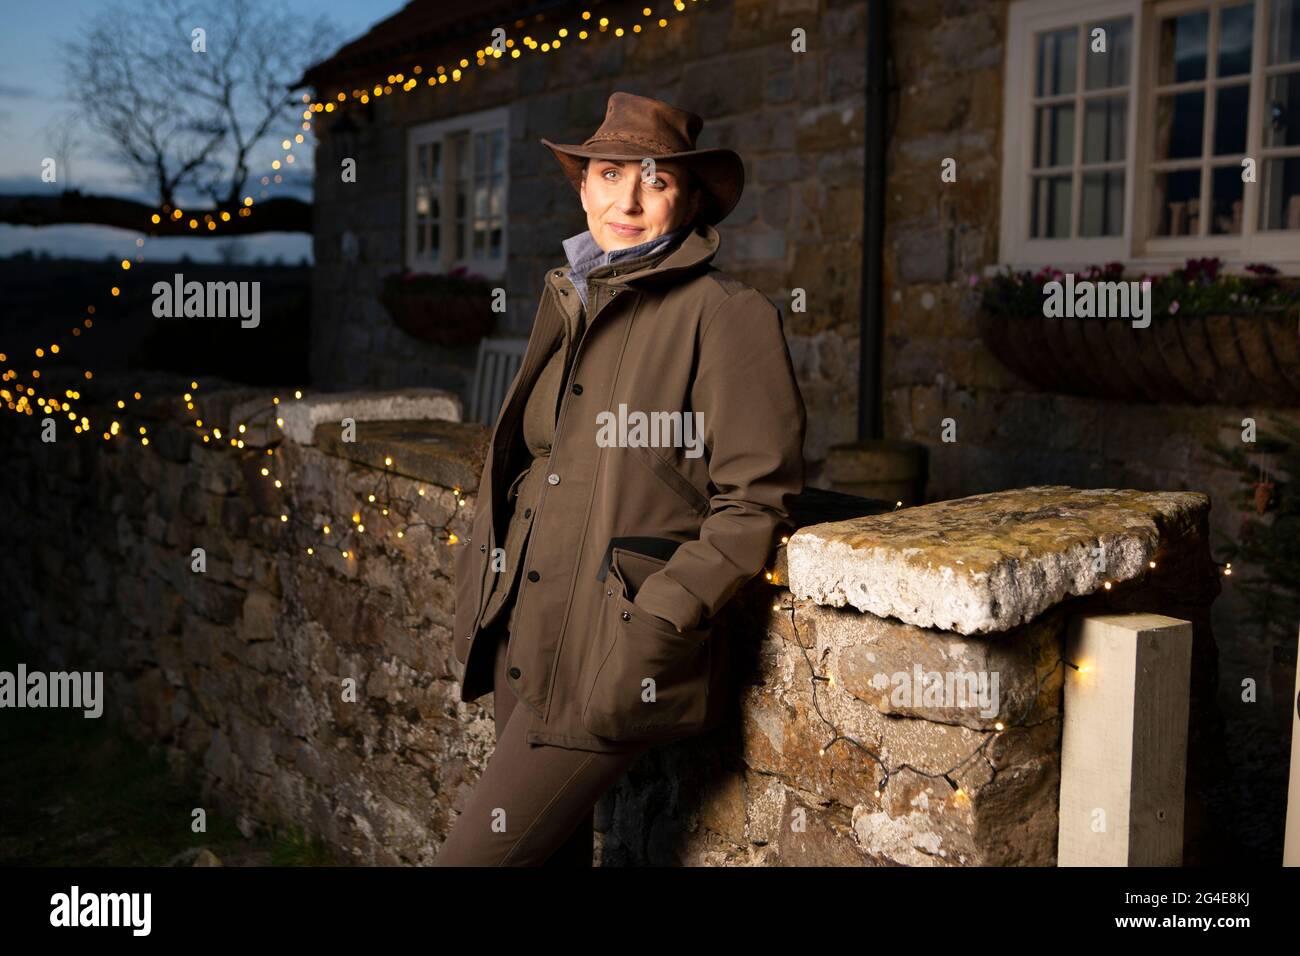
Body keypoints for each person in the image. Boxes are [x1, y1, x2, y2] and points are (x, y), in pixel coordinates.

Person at [434, 91, 806, 866]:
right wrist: (485, 582)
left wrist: (658, 621)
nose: (626, 199)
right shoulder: (572, 297)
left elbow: (755, 501)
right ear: (582, 187)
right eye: (609, 174)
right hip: (520, 636)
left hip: (609, 652)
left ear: (691, 198)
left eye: (654, 181)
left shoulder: (726, 315)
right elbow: (531, 463)